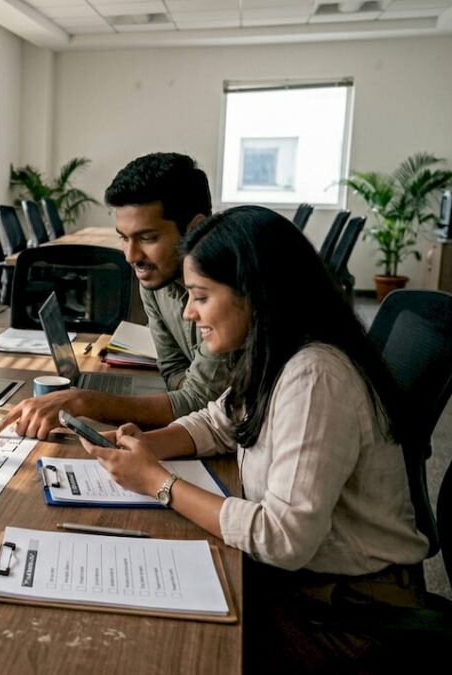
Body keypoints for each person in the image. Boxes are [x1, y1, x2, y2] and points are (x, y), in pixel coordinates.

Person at [80, 205, 429, 672]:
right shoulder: (274, 351)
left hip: (349, 613)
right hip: (306, 584)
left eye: (201, 296)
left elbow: (283, 538)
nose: (188, 311)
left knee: (159, 649)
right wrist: (147, 446)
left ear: (255, 294)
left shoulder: (315, 376)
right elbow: (217, 421)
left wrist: (158, 484)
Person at [0, 152, 233, 439]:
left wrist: (84, 401)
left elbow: (202, 404)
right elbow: (172, 370)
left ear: (195, 229)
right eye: (123, 237)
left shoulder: (230, 293)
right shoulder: (154, 280)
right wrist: (184, 396)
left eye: (147, 238)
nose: (131, 257)